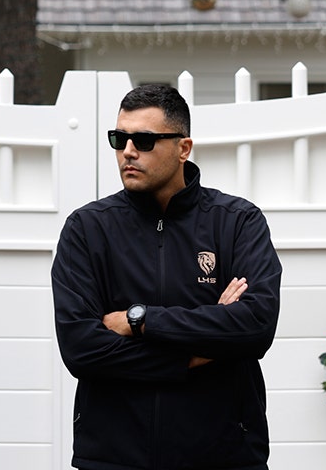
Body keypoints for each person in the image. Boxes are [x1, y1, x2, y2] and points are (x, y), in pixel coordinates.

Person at [51, 84, 283, 470]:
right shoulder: (88, 229)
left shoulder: (237, 222)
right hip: (113, 457)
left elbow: (255, 326)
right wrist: (199, 353)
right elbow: (81, 348)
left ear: (183, 148)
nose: (127, 151)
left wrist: (139, 320)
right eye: (119, 138)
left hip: (224, 457)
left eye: (143, 140)